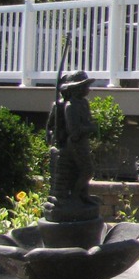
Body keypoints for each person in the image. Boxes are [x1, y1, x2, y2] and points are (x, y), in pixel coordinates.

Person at [47, 70, 101, 218]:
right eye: (85, 86)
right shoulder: (70, 106)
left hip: (82, 142)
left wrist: (90, 126)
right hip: (75, 143)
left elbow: (86, 121)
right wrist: (90, 128)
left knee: (84, 170)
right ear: (76, 89)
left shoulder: (83, 103)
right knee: (86, 170)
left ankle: (83, 195)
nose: (88, 89)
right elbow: (74, 130)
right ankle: (75, 196)